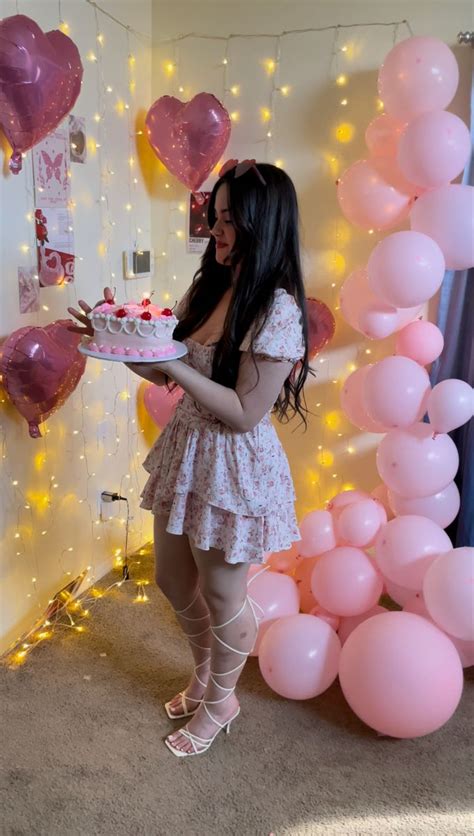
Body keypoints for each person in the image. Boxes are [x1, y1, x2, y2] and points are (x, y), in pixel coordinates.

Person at [69, 160, 310, 758]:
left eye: (229, 220)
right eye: (216, 217)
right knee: (173, 578)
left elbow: (245, 411)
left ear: (265, 224)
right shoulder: (210, 286)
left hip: (234, 464)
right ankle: (206, 672)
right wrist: (113, 338)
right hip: (187, 451)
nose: (216, 231)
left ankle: (223, 698)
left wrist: (172, 363)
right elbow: (161, 365)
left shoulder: (277, 309)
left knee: (225, 594)